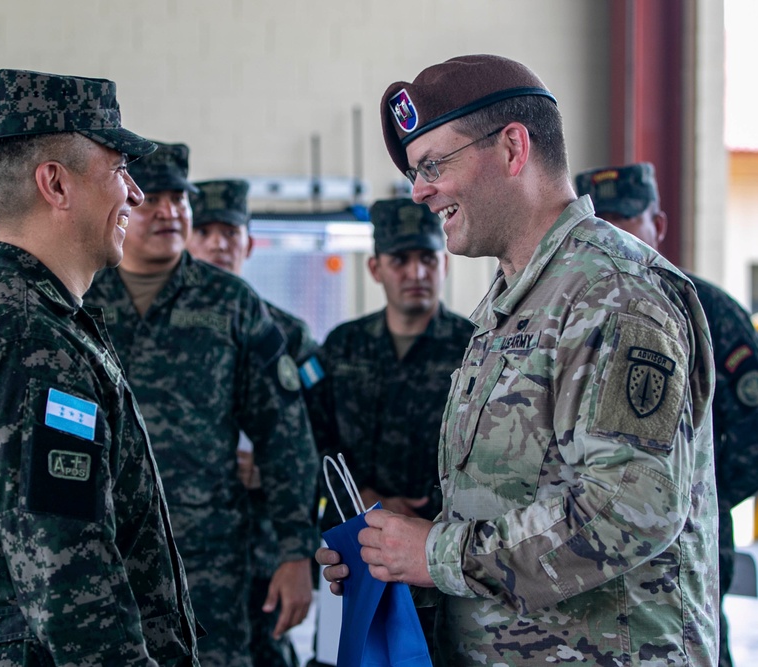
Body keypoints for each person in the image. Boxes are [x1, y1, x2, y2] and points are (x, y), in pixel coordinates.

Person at [317, 54, 719, 666]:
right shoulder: (518, 298)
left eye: (433, 165)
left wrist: (436, 554)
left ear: (511, 148)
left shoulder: (613, 292)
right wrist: (395, 555)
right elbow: (507, 501)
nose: (421, 191)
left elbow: (630, 510)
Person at [0, 69, 199, 666]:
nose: (134, 194)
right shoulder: (28, 343)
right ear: (55, 183)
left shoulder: (24, 320)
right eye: (119, 169)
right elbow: (73, 592)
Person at [85, 146, 319, 667]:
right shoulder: (84, 297)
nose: (170, 211)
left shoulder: (230, 303)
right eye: (153, 200)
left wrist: (295, 551)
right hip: (100, 551)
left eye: (179, 199)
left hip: (208, 558)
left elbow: (285, 436)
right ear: (121, 205)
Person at [575, 161, 758, 667]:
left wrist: (692, 498)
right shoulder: (571, 316)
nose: (617, 236)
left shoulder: (707, 309)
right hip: (589, 553)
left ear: (657, 226)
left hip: (689, 550)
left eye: (629, 221)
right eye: (604, 223)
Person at [307, 197, 474, 656]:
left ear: (444, 264)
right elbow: (312, 444)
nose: (416, 273)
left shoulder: (474, 348)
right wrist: (359, 500)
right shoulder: (343, 347)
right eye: (401, 260)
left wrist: (421, 518)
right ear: (376, 269)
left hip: (443, 560)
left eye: (427, 259)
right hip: (358, 553)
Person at [187, 178, 319, 667]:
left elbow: (320, 434)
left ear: (249, 243)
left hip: (268, 545)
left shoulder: (287, 334)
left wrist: (272, 468)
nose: (219, 243)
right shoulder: (164, 331)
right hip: (190, 551)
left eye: (231, 232)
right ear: (187, 239)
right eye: (206, 231)